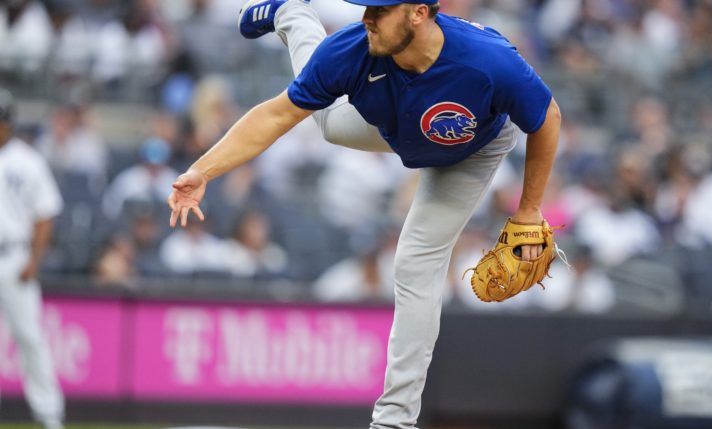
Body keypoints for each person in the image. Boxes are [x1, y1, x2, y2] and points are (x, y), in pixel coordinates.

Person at [166, 1, 561, 428]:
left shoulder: (489, 60)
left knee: (414, 262)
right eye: (366, 7)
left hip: (471, 149)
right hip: (395, 122)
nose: (368, 17)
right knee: (329, 123)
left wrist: (528, 210)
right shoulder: (352, 49)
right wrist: (203, 169)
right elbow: (278, 114)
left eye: (381, 8)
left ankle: (394, 421)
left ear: (417, 12)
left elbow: (547, 117)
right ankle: (291, 14)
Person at [0, 88, 65, 429]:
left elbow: (45, 215)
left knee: (29, 338)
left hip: (14, 256)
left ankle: (49, 414)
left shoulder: (28, 160)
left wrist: (34, 260)